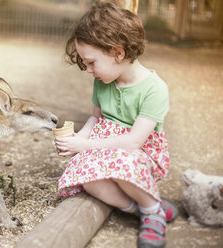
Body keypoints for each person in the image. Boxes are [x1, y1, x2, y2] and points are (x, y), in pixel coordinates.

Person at [54, 2, 178, 248]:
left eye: (91, 62)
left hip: (138, 154)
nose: (88, 70)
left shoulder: (155, 89)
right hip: (104, 147)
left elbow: (134, 142)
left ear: (117, 53)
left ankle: (153, 211)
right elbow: (96, 118)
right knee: (86, 178)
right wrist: (77, 140)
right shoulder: (103, 80)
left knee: (122, 166)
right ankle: (141, 209)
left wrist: (84, 144)